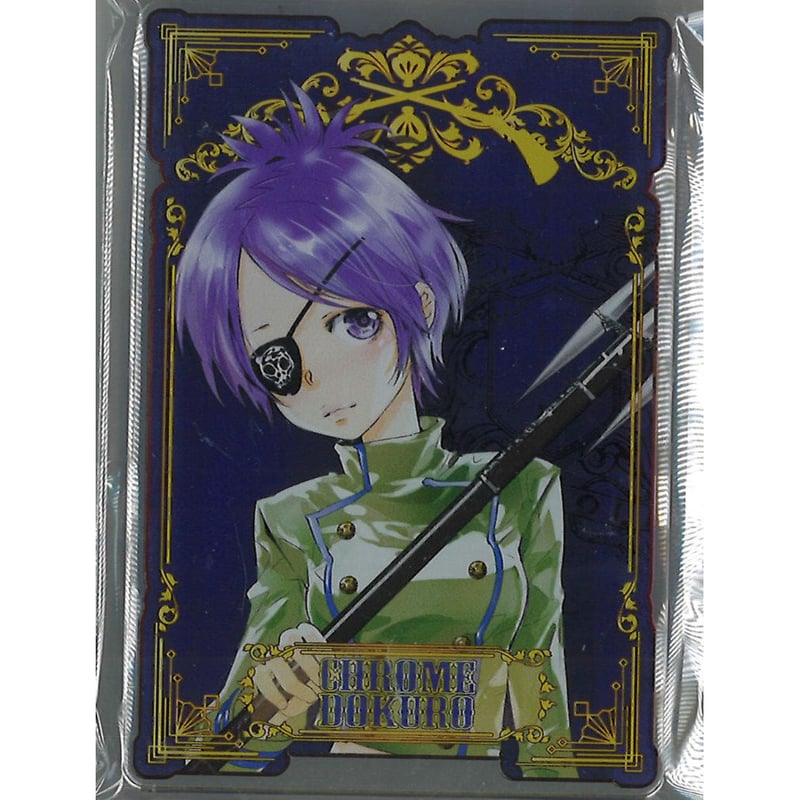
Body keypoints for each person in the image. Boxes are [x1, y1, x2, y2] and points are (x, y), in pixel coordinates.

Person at [176, 88, 572, 777]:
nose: (322, 375)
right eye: (278, 358)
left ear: (418, 304)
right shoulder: (291, 519)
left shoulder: (523, 488)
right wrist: (275, 706)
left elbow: (546, 710)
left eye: (351, 321)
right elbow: (226, 755)